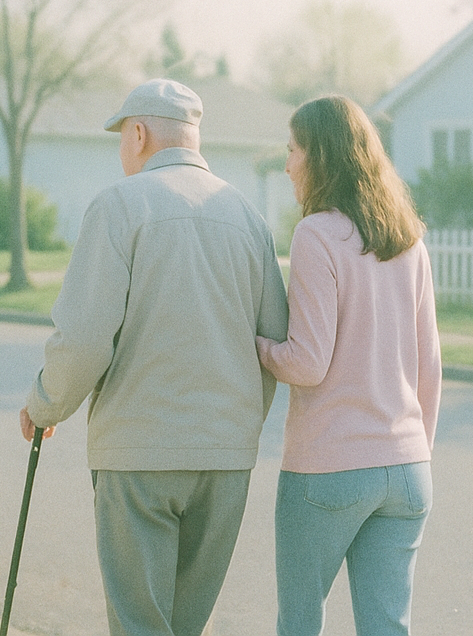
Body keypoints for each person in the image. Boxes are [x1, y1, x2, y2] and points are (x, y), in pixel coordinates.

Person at [20, 78, 289, 636]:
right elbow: (273, 345)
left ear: (138, 133)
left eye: (122, 135)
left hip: (139, 453)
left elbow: (85, 337)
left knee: (141, 626)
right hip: (224, 455)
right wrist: (234, 426)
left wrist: (45, 405)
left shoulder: (119, 206)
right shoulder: (248, 218)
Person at [256, 95, 441, 636]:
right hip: (408, 469)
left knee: (299, 625)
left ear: (322, 156)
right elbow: (430, 365)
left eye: (293, 150)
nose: (287, 163)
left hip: (328, 470)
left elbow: (307, 363)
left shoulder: (316, 235)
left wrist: (257, 345)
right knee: (388, 628)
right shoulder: (409, 241)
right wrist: (413, 454)